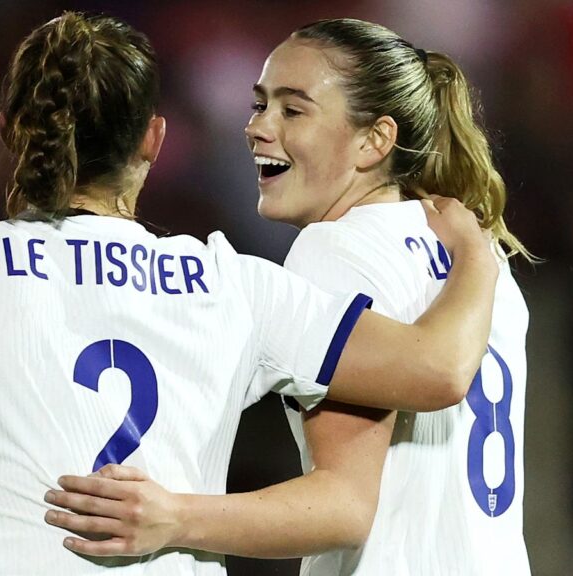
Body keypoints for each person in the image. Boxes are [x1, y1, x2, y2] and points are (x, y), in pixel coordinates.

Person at [0, 12, 499, 576]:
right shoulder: (231, 282)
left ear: (10, 126)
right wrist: (476, 253)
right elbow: (435, 369)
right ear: (153, 138)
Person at [44, 18, 533, 576]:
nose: (257, 127)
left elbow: (344, 505)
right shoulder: (472, 257)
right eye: (259, 105)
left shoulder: (334, 250)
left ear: (374, 140)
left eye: (292, 110)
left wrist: (175, 516)